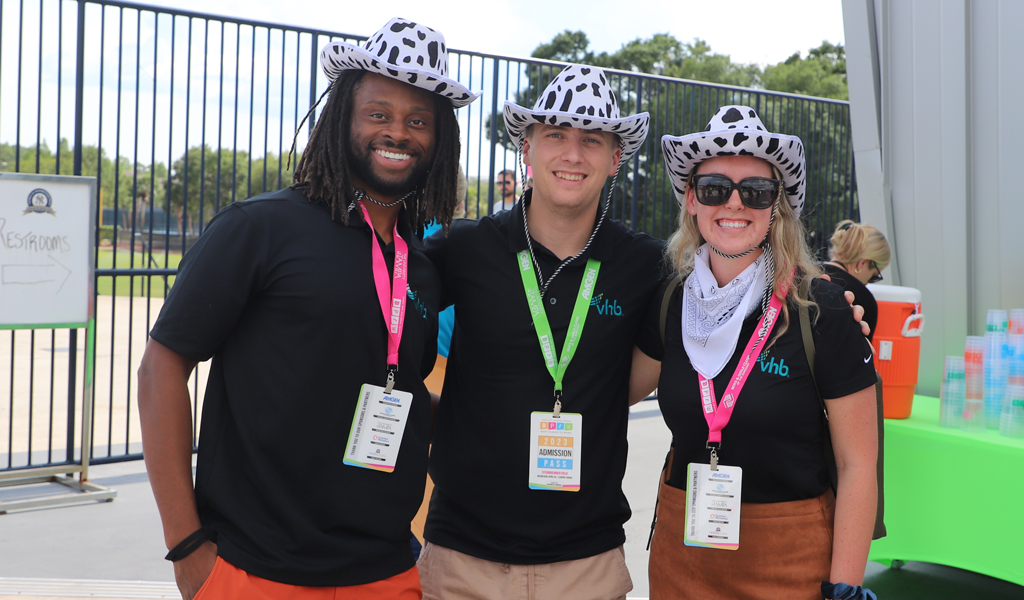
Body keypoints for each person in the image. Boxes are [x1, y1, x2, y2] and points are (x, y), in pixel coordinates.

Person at [136, 17, 478, 600]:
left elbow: (393, 386)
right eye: (379, 113)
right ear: (342, 117)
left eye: (418, 121)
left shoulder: (419, 264)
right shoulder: (259, 228)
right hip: (252, 571)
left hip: (389, 572)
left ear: (438, 138)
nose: (398, 132)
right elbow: (161, 368)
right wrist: (188, 547)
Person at [417, 64, 660, 599]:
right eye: (555, 135)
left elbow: (730, 311)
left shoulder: (645, 265)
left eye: (592, 140)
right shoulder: (466, 248)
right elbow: (368, 292)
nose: (572, 155)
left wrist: (838, 301)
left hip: (586, 567)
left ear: (615, 158)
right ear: (526, 149)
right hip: (462, 563)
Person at [632, 106, 879, 600]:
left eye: (757, 191)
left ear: (776, 206)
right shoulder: (670, 300)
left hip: (790, 563)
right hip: (683, 558)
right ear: (692, 201)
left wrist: (846, 586)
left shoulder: (821, 309)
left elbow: (858, 466)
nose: (735, 203)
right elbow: (604, 393)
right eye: (714, 188)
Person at [822, 220, 891, 341]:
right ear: (862, 263)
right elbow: (862, 356)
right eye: (874, 276)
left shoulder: (807, 274)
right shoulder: (862, 297)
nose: (867, 283)